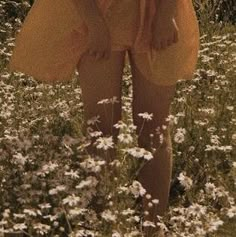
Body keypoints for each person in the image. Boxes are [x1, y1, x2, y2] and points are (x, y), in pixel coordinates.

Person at [8, 0, 200, 236]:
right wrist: (93, 23)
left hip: (158, 10)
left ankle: (154, 228)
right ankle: (104, 224)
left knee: (154, 127)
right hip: (96, 12)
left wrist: (166, 14)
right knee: (101, 127)